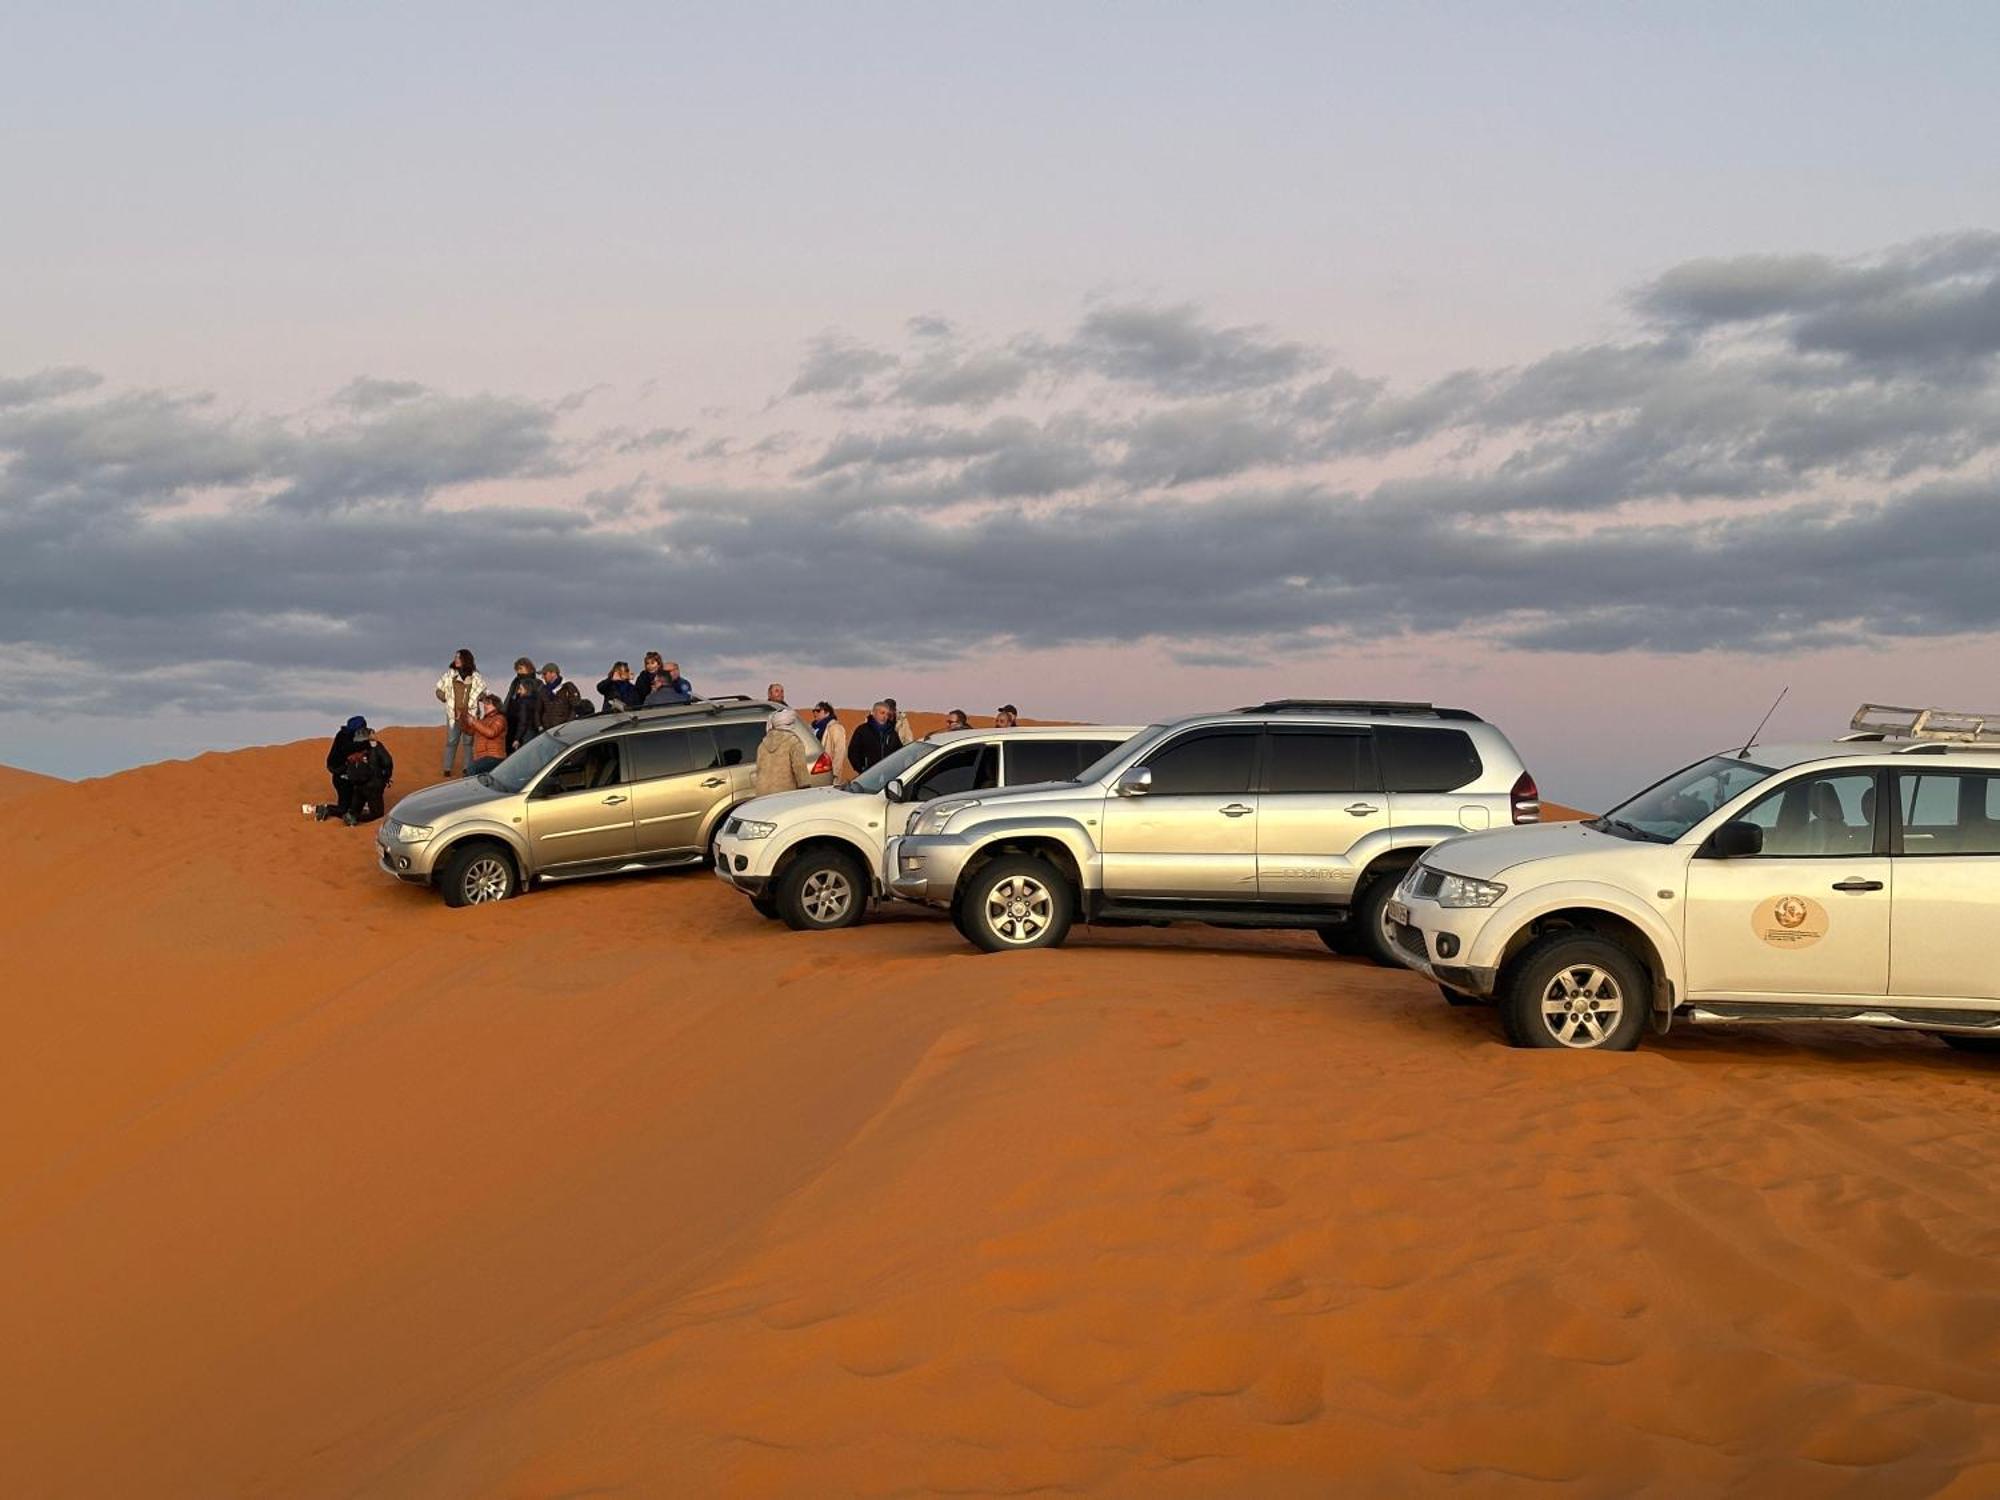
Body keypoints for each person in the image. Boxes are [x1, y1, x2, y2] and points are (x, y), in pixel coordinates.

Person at [302, 715, 368, 822]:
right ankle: (321, 809)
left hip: (340, 773)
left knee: (351, 804)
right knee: (344, 808)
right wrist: (367, 744)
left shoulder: (345, 735)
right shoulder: (345, 737)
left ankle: (318, 809)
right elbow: (349, 749)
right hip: (339, 773)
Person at [434, 649, 486, 776]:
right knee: (452, 740)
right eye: (456, 657)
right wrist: (444, 697)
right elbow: (438, 690)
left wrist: (480, 697)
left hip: (470, 715)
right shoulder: (449, 675)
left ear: (466, 659)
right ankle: (447, 769)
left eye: (459, 657)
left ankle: (467, 768)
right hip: (453, 714)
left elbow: (484, 691)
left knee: (468, 742)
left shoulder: (476, 676)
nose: (456, 659)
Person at [343, 726, 395, 825]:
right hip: (373, 785)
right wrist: (385, 777)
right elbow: (387, 762)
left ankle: (352, 816)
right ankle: (355, 818)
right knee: (377, 814)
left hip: (357, 784)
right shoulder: (376, 746)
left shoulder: (353, 747)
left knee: (355, 809)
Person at [754, 707, 813, 793]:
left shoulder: (762, 745)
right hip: (785, 796)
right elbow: (800, 770)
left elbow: (759, 770)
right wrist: (805, 789)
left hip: (763, 796)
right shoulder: (794, 742)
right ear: (791, 723)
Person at [847, 701, 902, 775]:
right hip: (869, 775)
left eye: (887, 714)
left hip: (889, 775)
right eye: (882, 713)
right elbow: (852, 752)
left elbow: (900, 752)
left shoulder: (892, 733)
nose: (885, 716)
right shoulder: (862, 730)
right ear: (873, 713)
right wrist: (861, 768)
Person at [503, 657, 544, 752]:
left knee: (525, 748)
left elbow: (538, 703)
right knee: (510, 746)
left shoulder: (537, 683)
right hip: (512, 718)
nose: (519, 671)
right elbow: (509, 697)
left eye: (521, 668)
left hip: (528, 720)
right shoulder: (515, 682)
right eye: (517, 669)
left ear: (528, 668)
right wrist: (504, 712)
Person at [464, 692, 508, 773]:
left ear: (496, 705)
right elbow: (469, 732)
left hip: (494, 756)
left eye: (488, 703)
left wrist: (474, 722)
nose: (485, 706)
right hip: (481, 758)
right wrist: (462, 718)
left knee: (471, 771)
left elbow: (491, 733)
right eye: (484, 704)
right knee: (471, 772)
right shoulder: (482, 720)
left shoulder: (500, 719)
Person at [810, 701, 849, 784]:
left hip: (828, 771)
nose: (815, 713)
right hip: (814, 769)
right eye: (814, 711)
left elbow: (840, 751)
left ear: (827, 712)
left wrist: (835, 772)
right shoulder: (813, 728)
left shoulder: (835, 728)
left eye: (818, 711)